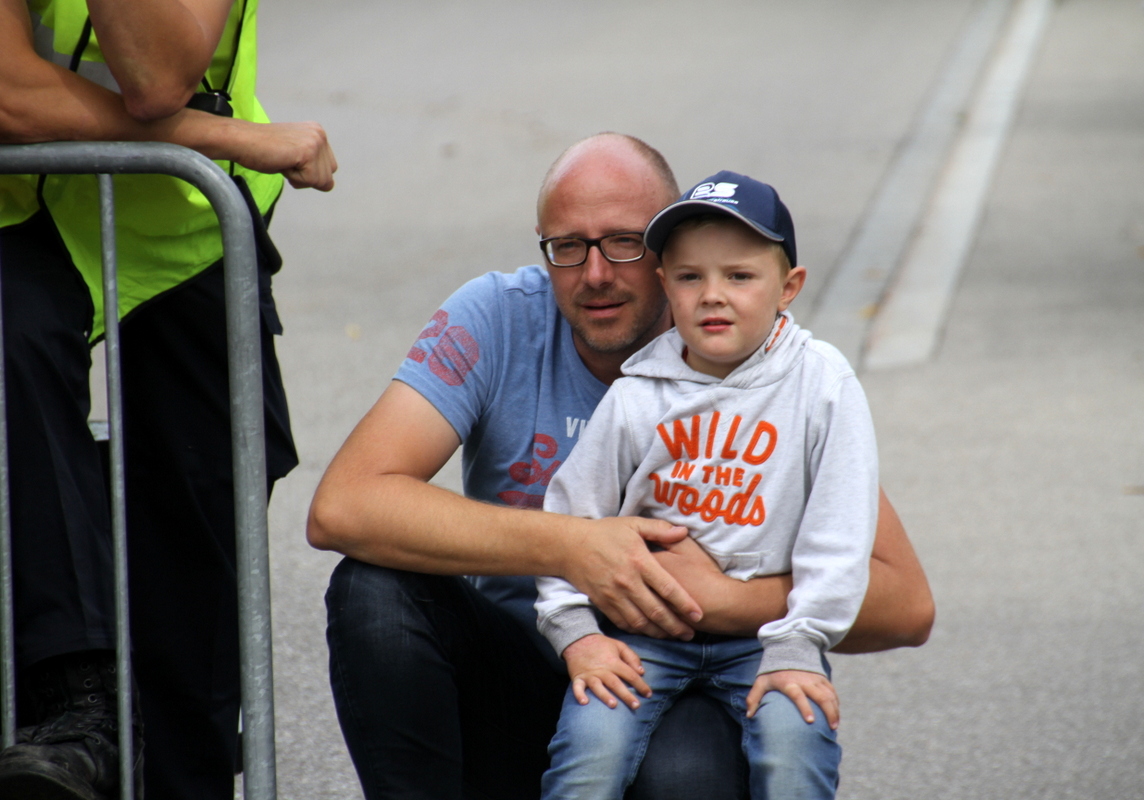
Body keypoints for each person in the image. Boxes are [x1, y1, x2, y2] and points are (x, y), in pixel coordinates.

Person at [308, 133, 933, 800]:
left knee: (687, 778)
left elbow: (905, 604)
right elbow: (343, 506)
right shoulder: (496, 317)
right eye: (567, 247)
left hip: (664, 672)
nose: (596, 273)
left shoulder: (755, 366)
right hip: (527, 666)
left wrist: (725, 601)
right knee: (374, 593)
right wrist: (575, 548)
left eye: (624, 243)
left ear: (665, 256)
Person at [0, 1, 336, 798]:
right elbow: (11, 97)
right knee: (15, 375)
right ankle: (79, 707)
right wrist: (222, 137)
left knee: (199, 505)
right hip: (24, 216)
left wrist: (197, 139)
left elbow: (156, 77)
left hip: (181, 230)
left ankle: (182, 774)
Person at [536, 171, 874, 800]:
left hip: (768, 639)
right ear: (666, 285)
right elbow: (569, 527)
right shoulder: (637, 397)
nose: (713, 295)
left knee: (795, 736)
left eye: (740, 276)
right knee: (591, 748)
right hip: (640, 637)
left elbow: (840, 534)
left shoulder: (822, 386)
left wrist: (802, 640)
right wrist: (577, 635)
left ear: (789, 287)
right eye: (691, 277)